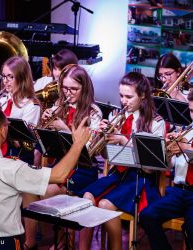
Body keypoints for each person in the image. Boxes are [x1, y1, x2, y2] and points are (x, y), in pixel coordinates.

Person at [0, 104, 90, 250]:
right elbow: (59, 176)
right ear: (2, 131)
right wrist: (78, 144)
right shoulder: (10, 167)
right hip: (3, 244)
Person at [78, 72, 166, 250]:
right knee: (87, 198)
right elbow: (107, 157)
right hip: (118, 175)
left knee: (104, 204)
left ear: (142, 96)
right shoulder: (116, 117)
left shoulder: (156, 123)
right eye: (121, 96)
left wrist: (123, 140)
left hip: (140, 179)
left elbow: (150, 167)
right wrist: (102, 140)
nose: (123, 101)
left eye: (129, 96)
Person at [24, 64, 102, 249]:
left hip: (83, 170)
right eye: (65, 88)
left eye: (73, 89)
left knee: (46, 192)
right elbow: (48, 147)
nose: (68, 93)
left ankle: (62, 239)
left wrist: (63, 128)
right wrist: (45, 126)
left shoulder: (93, 112)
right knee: (27, 187)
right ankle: (30, 241)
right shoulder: (59, 105)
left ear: (84, 88)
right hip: (61, 165)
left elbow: (88, 151)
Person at [139, 90, 193, 250]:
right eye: (191, 111)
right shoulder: (188, 131)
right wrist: (166, 151)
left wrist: (186, 148)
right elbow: (168, 167)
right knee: (147, 216)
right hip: (180, 191)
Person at [0, 56, 41, 163]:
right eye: (3, 76)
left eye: (10, 77)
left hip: (18, 157)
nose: (5, 81)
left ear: (22, 78)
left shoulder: (31, 105)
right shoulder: (1, 100)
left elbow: (21, 142)